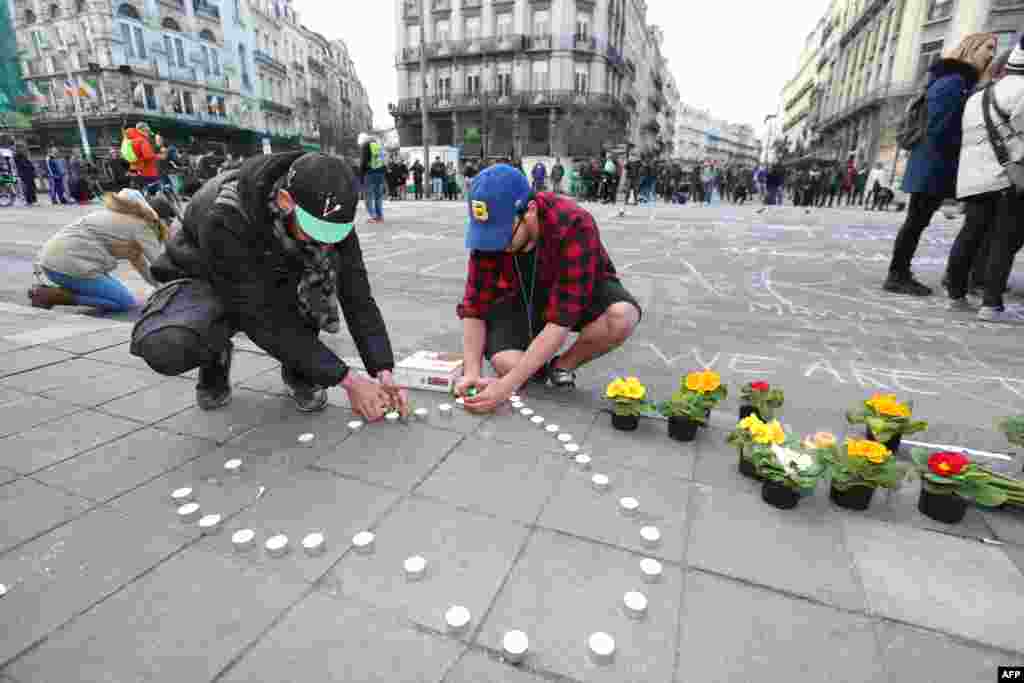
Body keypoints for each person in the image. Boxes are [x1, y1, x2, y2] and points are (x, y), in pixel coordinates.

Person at [148, 151, 408, 418]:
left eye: (333, 236)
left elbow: (358, 296)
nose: (326, 244)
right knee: (170, 343)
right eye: (315, 232)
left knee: (312, 283)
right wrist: (348, 380)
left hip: (275, 262)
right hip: (208, 270)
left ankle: (300, 370)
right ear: (285, 201)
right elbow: (261, 318)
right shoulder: (225, 218)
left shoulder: (332, 210)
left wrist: (382, 370)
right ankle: (214, 354)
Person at [454, 164, 641, 413]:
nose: (495, 245)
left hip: (575, 290)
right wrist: (472, 373)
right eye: (487, 236)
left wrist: (506, 387)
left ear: (529, 210)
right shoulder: (490, 237)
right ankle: (534, 364)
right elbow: (474, 307)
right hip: (519, 294)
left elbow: (561, 319)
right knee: (507, 364)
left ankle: (562, 365)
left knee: (622, 317)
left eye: (502, 236)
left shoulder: (574, 224)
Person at [884, 32, 996, 296]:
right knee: (916, 221)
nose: (991, 54)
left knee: (917, 221)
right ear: (971, 48)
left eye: (994, 49)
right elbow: (940, 127)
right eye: (987, 47)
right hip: (932, 164)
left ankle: (900, 272)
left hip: (933, 163)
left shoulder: (958, 80)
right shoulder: (954, 81)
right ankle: (897, 274)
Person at [946, 36, 1024, 322]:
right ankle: (991, 304)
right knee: (1002, 241)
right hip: (1005, 178)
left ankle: (955, 295)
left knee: (971, 234)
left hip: (973, 179)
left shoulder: (979, 95)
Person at [28, 188, 177, 311]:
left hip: (53, 264)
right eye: (169, 221)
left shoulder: (119, 218)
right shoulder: (142, 226)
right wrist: (175, 289)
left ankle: (57, 292)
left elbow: (139, 262)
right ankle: (50, 295)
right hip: (68, 267)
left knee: (119, 296)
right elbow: (160, 264)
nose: (169, 225)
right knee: (124, 302)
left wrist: (159, 286)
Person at [124, 122, 163, 190]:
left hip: (138, 168)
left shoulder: (133, 139)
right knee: (152, 188)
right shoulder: (142, 139)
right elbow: (148, 155)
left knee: (141, 188)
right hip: (146, 169)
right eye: (146, 130)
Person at [359, 133, 386, 223]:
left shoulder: (365, 146)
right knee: (378, 196)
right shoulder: (378, 145)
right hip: (380, 173)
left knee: (368, 196)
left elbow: (364, 162)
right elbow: (383, 161)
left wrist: (361, 176)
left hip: (369, 174)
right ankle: (380, 216)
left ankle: (373, 216)